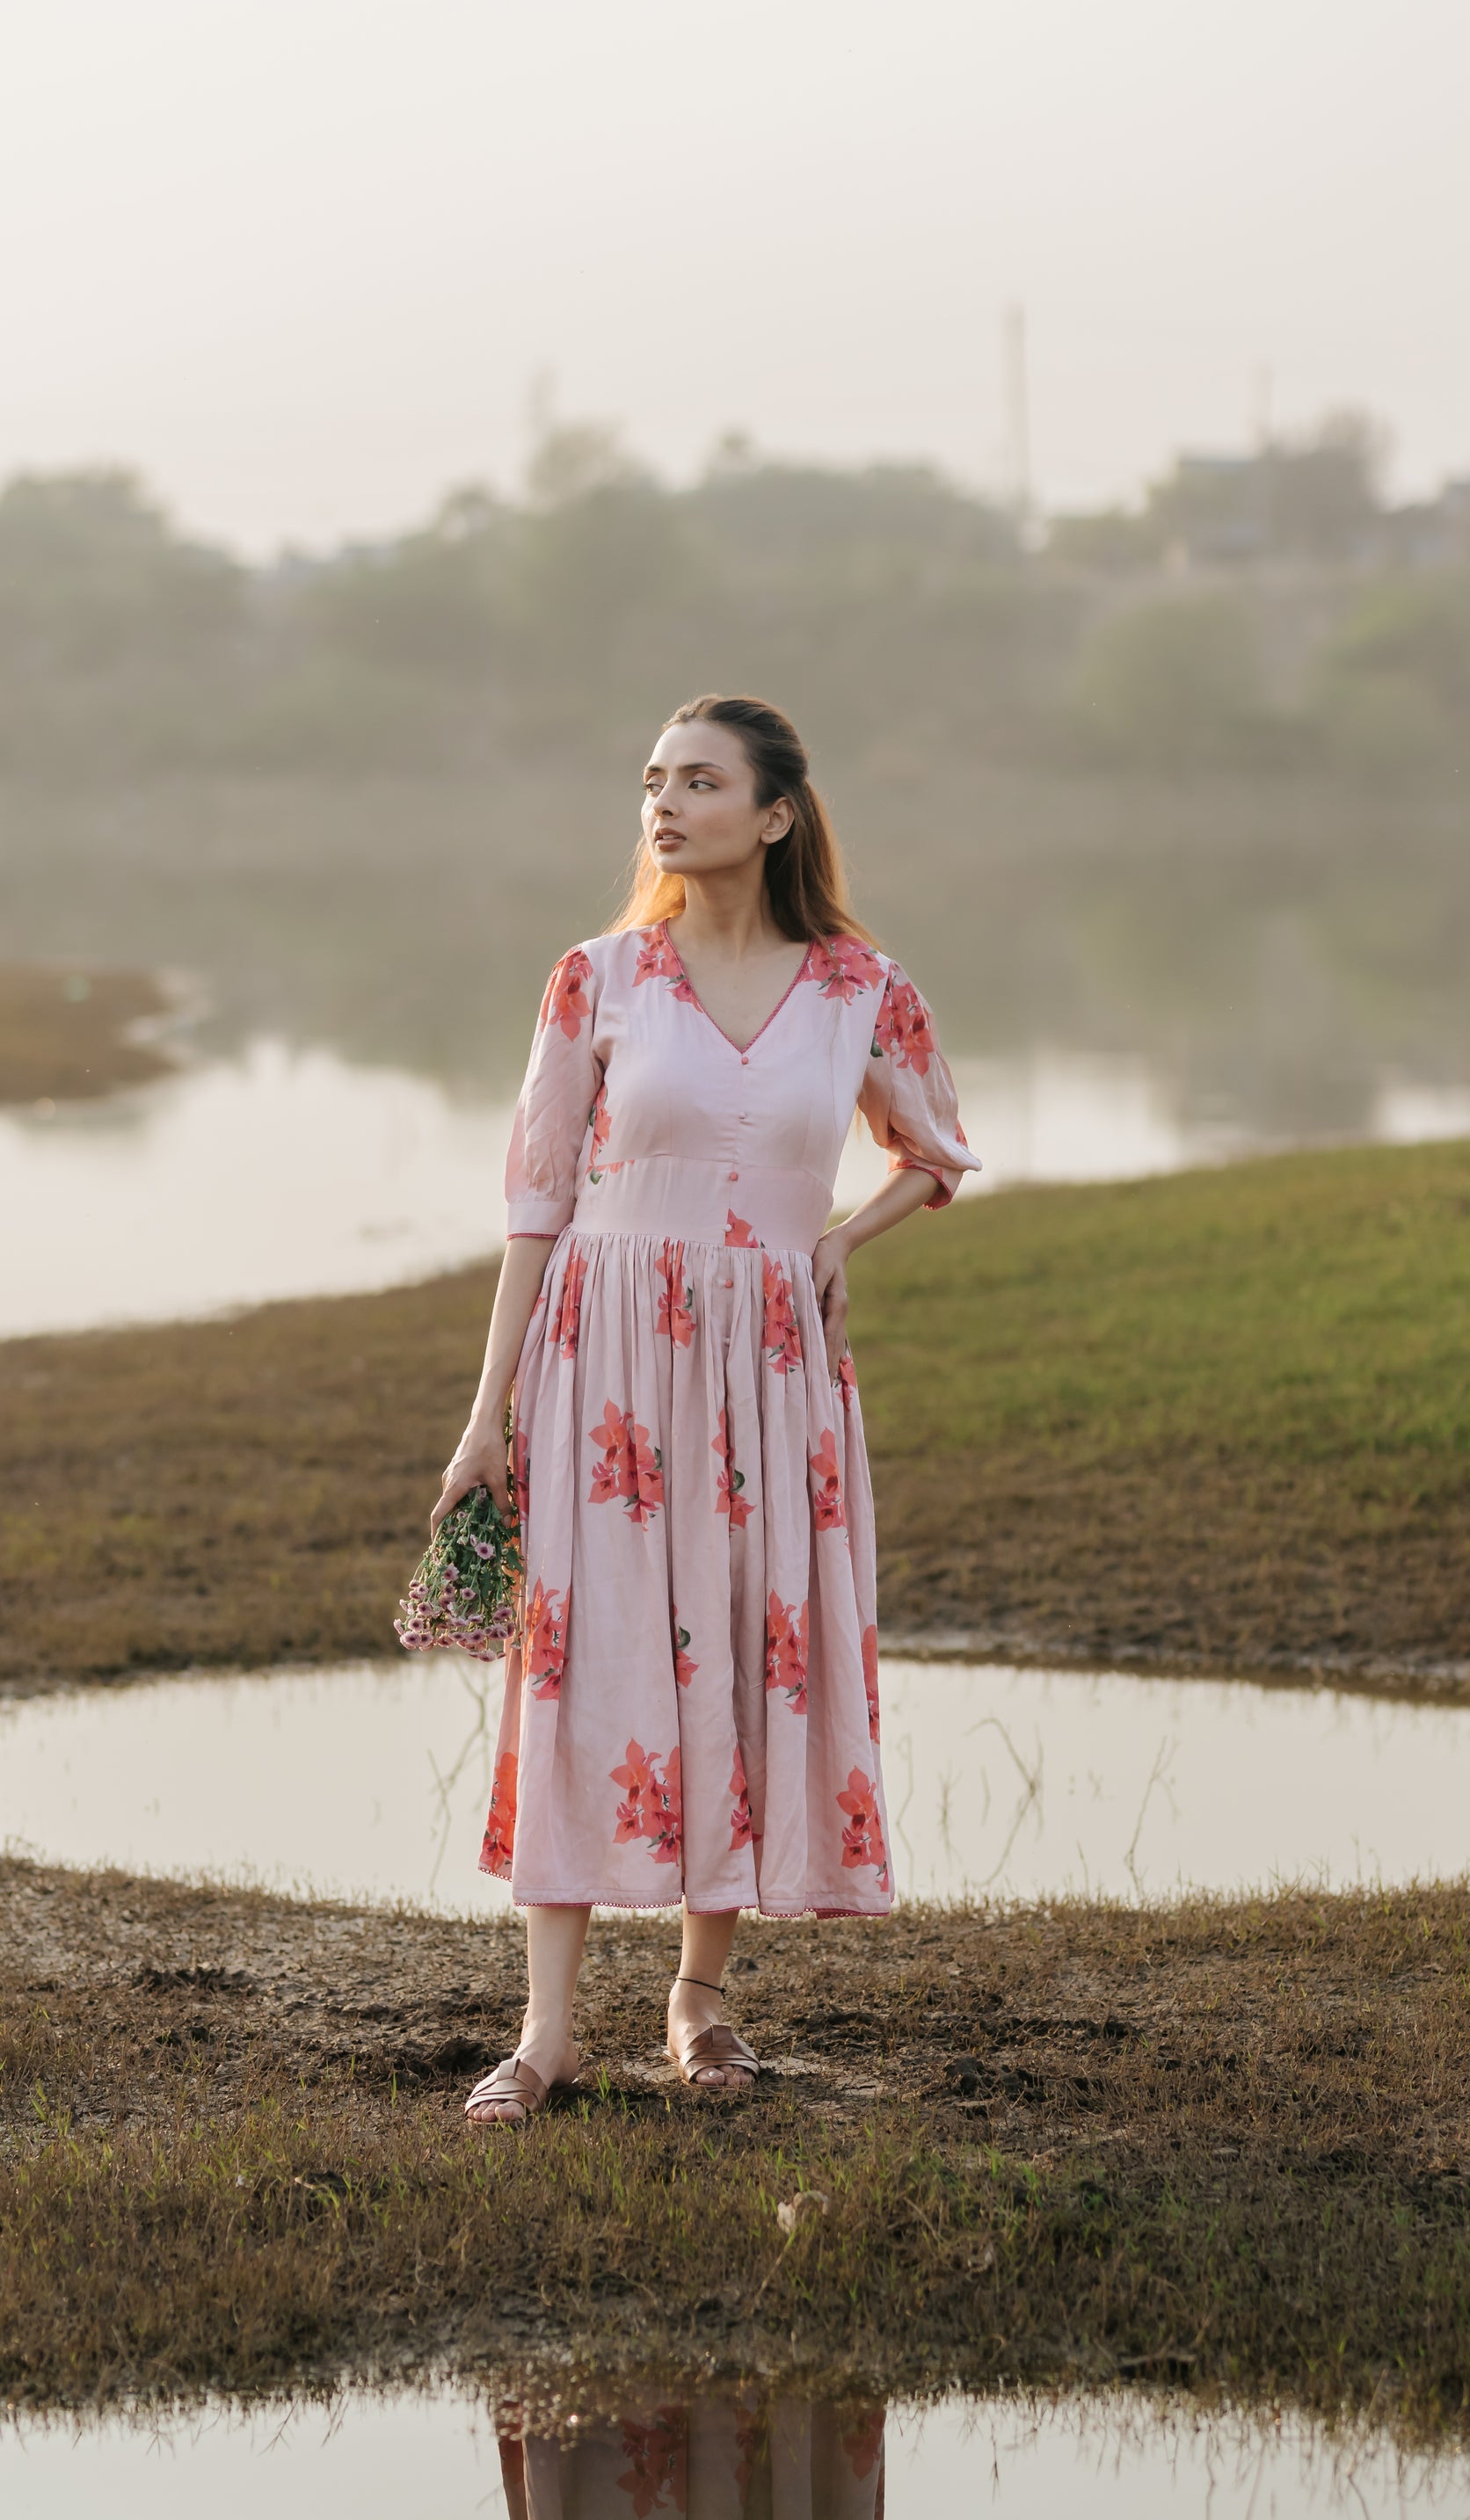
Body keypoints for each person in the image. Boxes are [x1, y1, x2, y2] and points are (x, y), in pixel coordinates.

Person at [432, 694, 979, 2125]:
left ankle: (699, 1997)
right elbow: (536, 1202)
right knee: (583, 1656)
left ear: (776, 813)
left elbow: (933, 1149)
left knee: (744, 1641)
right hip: (603, 1348)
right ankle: (544, 2031)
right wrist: (485, 1415)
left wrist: (836, 1248)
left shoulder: (863, 986)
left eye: (699, 781)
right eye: (651, 782)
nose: (662, 806)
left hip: (771, 1362)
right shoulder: (597, 976)